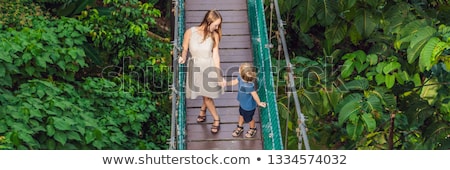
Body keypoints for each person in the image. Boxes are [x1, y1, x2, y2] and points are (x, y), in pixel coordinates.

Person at [178, 10, 225, 134]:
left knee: (207, 96)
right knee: (205, 93)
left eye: (218, 25)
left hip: (209, 68)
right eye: (216, 25)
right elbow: (185, 48)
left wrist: (218, 75)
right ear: (208, 21)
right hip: (195, 68)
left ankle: (216, 119)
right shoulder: (190, 32)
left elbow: (216, 56)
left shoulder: (214, 35)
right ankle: (203, 111)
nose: (217, 27)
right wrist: (182, 57)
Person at [223, 63, 266, 138]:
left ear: (241, 73)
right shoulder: (240, 78)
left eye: (240, 68)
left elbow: (255, 95)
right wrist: (226, 83)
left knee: (249, 119)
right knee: (241, 115)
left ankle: (253, 128)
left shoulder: (249, 86)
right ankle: (240, 127)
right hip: (242, 103)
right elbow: (234, 82)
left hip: (248, 107)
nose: (239, 68)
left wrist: (259, 103)